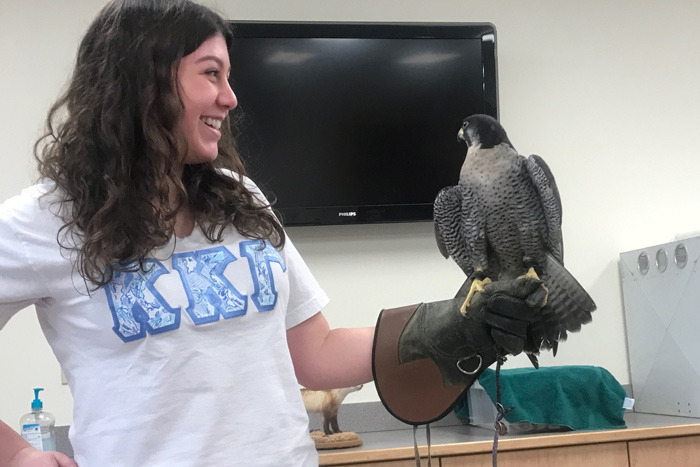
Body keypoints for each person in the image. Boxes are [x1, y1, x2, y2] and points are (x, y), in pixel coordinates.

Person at [0, 1, 544, 466]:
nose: (230, 98)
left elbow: (318, 354)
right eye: (210, 74)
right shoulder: (48, 218)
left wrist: (454, 323)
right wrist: (18, 452)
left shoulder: (239, 198)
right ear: (143, 84)